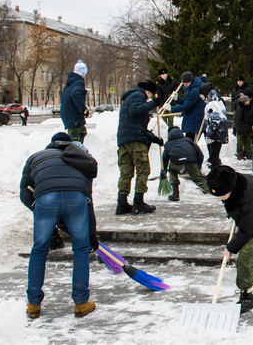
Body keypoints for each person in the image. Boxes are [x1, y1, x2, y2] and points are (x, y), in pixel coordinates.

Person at [20, 132, 99, 319]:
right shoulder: (79, 158)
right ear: (70, 145)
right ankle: (81, 303)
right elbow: (88, 199)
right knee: (80, 249)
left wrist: (39, 208)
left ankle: (33, 304)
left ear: (51, 145)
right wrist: (92, 234)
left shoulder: (35, 157)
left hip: (45, 198)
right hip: (77, 198)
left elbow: (24, 192)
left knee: (39, 250)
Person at [206, 165, 253, 314]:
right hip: (249, 219)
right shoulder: (233, 183)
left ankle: (247, 297)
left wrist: (230, 248)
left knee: (245, 256)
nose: (220, 198)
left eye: (222, 195)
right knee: (252, 255)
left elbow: (247, 230)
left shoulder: (248, 199)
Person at [115, 80, 160, 215]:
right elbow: (135, 111)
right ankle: (139, 203)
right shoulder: (138, 95)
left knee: (126, 173)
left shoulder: (129, 98)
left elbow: (138, 126)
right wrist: (153, 103)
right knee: (143, 170)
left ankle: (122, 204)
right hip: (135, 142)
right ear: (147, 91)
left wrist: (156, 139)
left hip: (124, 141)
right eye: (150, 95)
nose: (149, 98)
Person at [162, 126, 210, 201]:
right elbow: (200, 154)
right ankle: (213, 191)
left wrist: (164, 170)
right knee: (198, 179)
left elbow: (165, 158)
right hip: (190, 161)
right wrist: (198, 166)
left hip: (176, 162)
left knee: (172, 171)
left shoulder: (168, 144)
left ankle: (175, 194)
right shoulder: (188, 140)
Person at [164, 72, 204, 141]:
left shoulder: (195, 91)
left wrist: (171, 108)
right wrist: (177, 99)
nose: (185, 84)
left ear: (191, 81)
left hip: (195, 121)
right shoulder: (189, 88)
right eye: (184, 83)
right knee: (189, 142)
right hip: (190, 120)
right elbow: (186, 102)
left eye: (186, 83)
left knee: (191, 144)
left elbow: (186, 106)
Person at [200, 81, 228, 168]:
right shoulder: (218, 101)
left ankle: (216, 174)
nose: (200, 96)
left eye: (201, 94)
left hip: (216, 134)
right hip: (220, 133)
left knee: (214, 156)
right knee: (214, 155)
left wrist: (209, 136)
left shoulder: (212, 104)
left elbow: (214, 122)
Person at [61, 59, 89, 142]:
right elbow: (75, 94)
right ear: (83, 72)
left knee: (82, 132)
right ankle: (76, 153)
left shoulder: (70, 83)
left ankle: (79, 152)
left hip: (70, 115)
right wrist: (83, 108)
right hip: (74, 117)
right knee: (75, 139)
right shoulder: (79, 82)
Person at [235, 95, 253, 160]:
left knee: (248, 141)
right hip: (241, 129)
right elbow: (238, 121)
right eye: (247, 100)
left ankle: (249, 152)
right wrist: (242, 129)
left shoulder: (248, 108)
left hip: (247, 127)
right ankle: (239, 153)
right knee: (240, 141)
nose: (248, 101)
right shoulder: (240, 109)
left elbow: (250, 118)